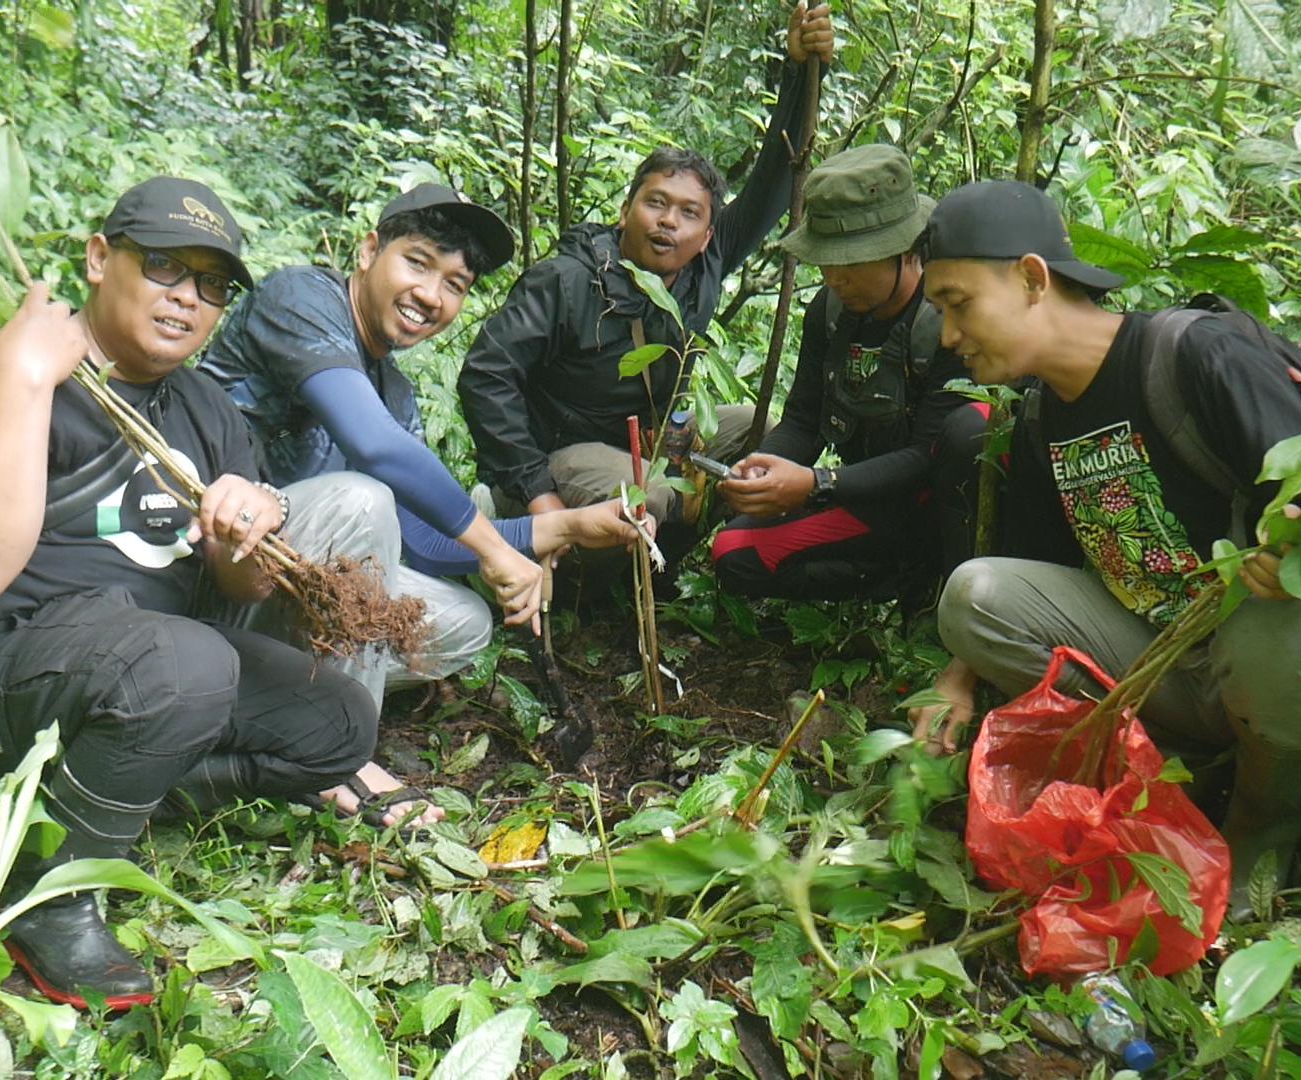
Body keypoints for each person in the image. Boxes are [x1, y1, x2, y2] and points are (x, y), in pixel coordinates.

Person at [905, 180, 1301, 918]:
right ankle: (1164, 776)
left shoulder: (1197, 355)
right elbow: (1034, 571)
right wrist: (958, 679)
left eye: (957, 302)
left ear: (1032, 278)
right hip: (1180, 661)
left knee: (1282, 622)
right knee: (972, 595)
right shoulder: (1043, 416)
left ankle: (1266, 817)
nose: (947, 335)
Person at [0, 177, 375, 1008]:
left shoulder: (206, 408)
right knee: (185, 663)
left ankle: (107, 794)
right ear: (100, 258)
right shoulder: (10, 372)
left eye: (212, 285)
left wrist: (250, 527)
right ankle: (47, 889)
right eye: (163, 268)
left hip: (139, 675)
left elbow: (239, 583)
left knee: (340, 719)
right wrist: (30, 377)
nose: (187, 298)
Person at [198, 185, 649, 819]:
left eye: (456, 284)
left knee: (464, 621)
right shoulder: (302, 299)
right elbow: (373, 449)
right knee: (362, 500)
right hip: (216, 582)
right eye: (417, 262)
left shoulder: (395, 391)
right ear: (368, 250)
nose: (431, 295)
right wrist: (493, 548)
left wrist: (564, 526)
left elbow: (427, 545)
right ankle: (335, 754)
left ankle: (284, 708)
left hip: (282, 604)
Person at [459, 2, 837, 540]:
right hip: (561, 454)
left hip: (652, 439)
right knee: (654, 495)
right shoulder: (568, 280)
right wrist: (535, 487)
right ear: (625, 211)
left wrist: (801, 71)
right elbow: (485, 375)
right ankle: (514, 522)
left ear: (708, 235)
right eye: (655, 203)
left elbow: (775, 182)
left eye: (689, 213)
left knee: (763, 433)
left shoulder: (706, 259)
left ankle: (722, 558)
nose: (668, 223)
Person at [710, 144, 987, 603]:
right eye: (827, 264)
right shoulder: (831, 312)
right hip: (867, 501)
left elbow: (929, 454)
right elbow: (803, 419)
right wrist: (765, 467)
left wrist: (817, 485)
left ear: (905, 252)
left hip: (939, 504)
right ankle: (893, 579)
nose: (835, 279)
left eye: (852, 263)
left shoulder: (950, 323)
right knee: (734, 552)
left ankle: (936, 582)